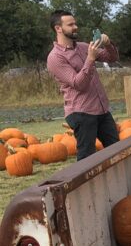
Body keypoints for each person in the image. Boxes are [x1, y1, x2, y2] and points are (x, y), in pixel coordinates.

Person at [45, 10, 120, 161]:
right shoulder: (55, 58)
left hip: (101, 109)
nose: (75, 27)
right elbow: (78, 84)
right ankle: (86, 185)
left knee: (117, 150)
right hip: (81, 113)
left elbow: (112, 57)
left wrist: (108, 44)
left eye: (75, 23)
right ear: (58, 28)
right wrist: (90, 59)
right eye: (70, 24)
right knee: (87, 158)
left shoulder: (83, 47)